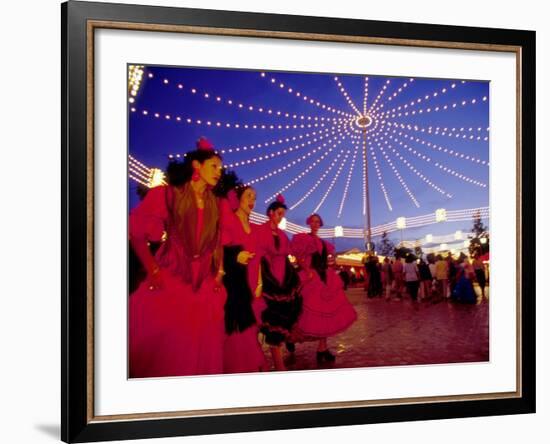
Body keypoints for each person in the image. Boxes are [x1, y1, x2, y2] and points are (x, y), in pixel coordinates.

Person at [128, 138, 227, 378]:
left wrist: (219, 272)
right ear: (197, 166)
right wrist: (152, 269)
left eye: (220, 169)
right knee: (169, 351)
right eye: (213, 166)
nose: (218, 172)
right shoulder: (169, 195)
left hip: (203, 284)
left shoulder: (217, 204)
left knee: (199, 350)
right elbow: (137, 231)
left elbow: (216, 242)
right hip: (173, 278)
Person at [289, 214, 357, 364]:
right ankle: (290, 337)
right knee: (303, 314)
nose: (315, 224)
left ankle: (322, 349)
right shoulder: (303, 238)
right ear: (309, 223)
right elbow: (299, 258)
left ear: (320, 224)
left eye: (318, 222)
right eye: (313, 222)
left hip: (325, 278)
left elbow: (329, 260)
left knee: (326, 315)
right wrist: (307, 271)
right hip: (311, 278)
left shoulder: (324, 243)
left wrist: (332, 263)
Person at [220, 185, 268, 374]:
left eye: (254, 197)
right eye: (248, 196)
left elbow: (258, 259)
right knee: (237, 333)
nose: (252, 201)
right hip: (235, 285)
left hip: (252, 285)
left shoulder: (254, 229)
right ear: (238, 199)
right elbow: (219, 252)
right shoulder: (229, 222)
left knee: (251, 331)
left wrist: (260, 282)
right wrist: (234, 257)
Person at [256, 195, 302, 371]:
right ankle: (275, 364)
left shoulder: (282, 235)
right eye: (279, 213)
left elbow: (287, 256)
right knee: (270, 323)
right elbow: (260, 257)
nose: (281, 217)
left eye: (283, 214)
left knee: (280, 324)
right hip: (269, 280)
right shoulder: (261, 231)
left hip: (284, 280)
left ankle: (277, 363)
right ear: (270, 213)